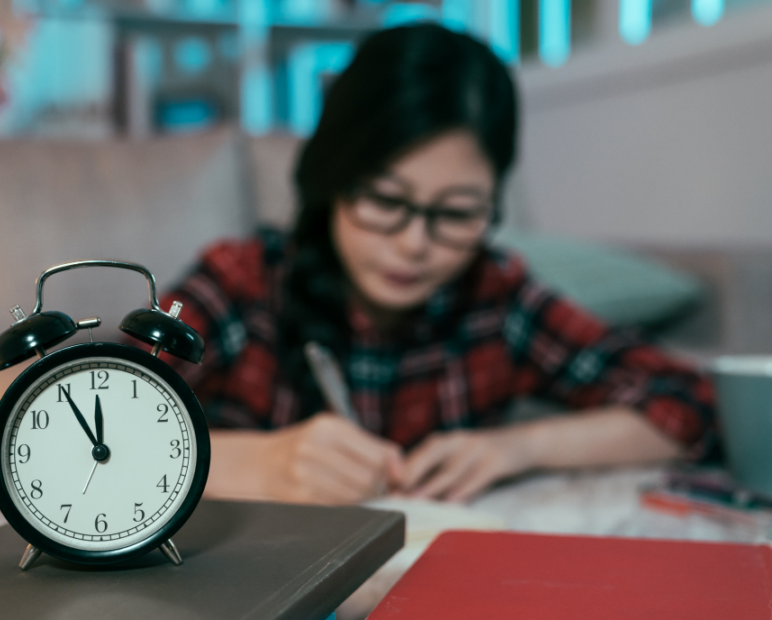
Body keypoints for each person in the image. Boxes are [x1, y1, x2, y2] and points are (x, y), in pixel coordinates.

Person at [150, 24, 715, 505]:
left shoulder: (495, 296)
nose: (416, 244)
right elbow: (80, 420)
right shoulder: (236, 283)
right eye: (386, 201)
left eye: (457, 212)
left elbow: (689, 402)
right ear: (332, 179)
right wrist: (258, 464)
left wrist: (517, 449)